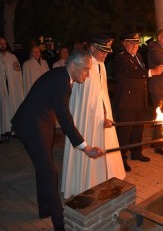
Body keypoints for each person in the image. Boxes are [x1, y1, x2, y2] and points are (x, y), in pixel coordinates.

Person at [11, 50, 104, 231]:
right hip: (31, 125)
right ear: (74, 65)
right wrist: (86, 148)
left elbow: (59, 112)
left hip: (40, 123)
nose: (87, 74)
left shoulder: (62, 77)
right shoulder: (61, 81)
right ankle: (59, 222)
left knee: (43, 167)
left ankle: (44, 209)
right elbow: (65, 119)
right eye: (86, 69)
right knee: (48, 171)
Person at [61, 35, 125, 198]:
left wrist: (104, 114)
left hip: (100, 116)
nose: (105, 55)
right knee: (89, 141)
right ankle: (83, 182)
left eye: (107, 52)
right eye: (102, 52)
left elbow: (101, 95)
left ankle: (102, 177)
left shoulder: (100, 65)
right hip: (86, 118)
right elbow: (88, 101)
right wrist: (98, 117)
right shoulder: (85, 64)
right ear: (93, 48)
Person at [114, 32, 163, 172]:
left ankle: (136, 153)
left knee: (138, 129)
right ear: (124, 43)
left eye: (136, 43)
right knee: (124, 132)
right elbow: (130, 73)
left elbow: (140, 71)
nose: (135, 46)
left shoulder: (138, 56)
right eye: (131, 43)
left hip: (140, 100)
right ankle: (121, 159)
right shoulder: (121, 58)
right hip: (127, 102)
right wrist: (150, 72)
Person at [0, 37, 24, 140]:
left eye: (4, 44)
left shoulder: (12, 57)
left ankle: (14, 130)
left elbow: (17, 73)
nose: (3, 45)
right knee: (2, 108)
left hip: (12, 87)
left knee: (13, 106)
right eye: (0, 44)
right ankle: (3, 132)